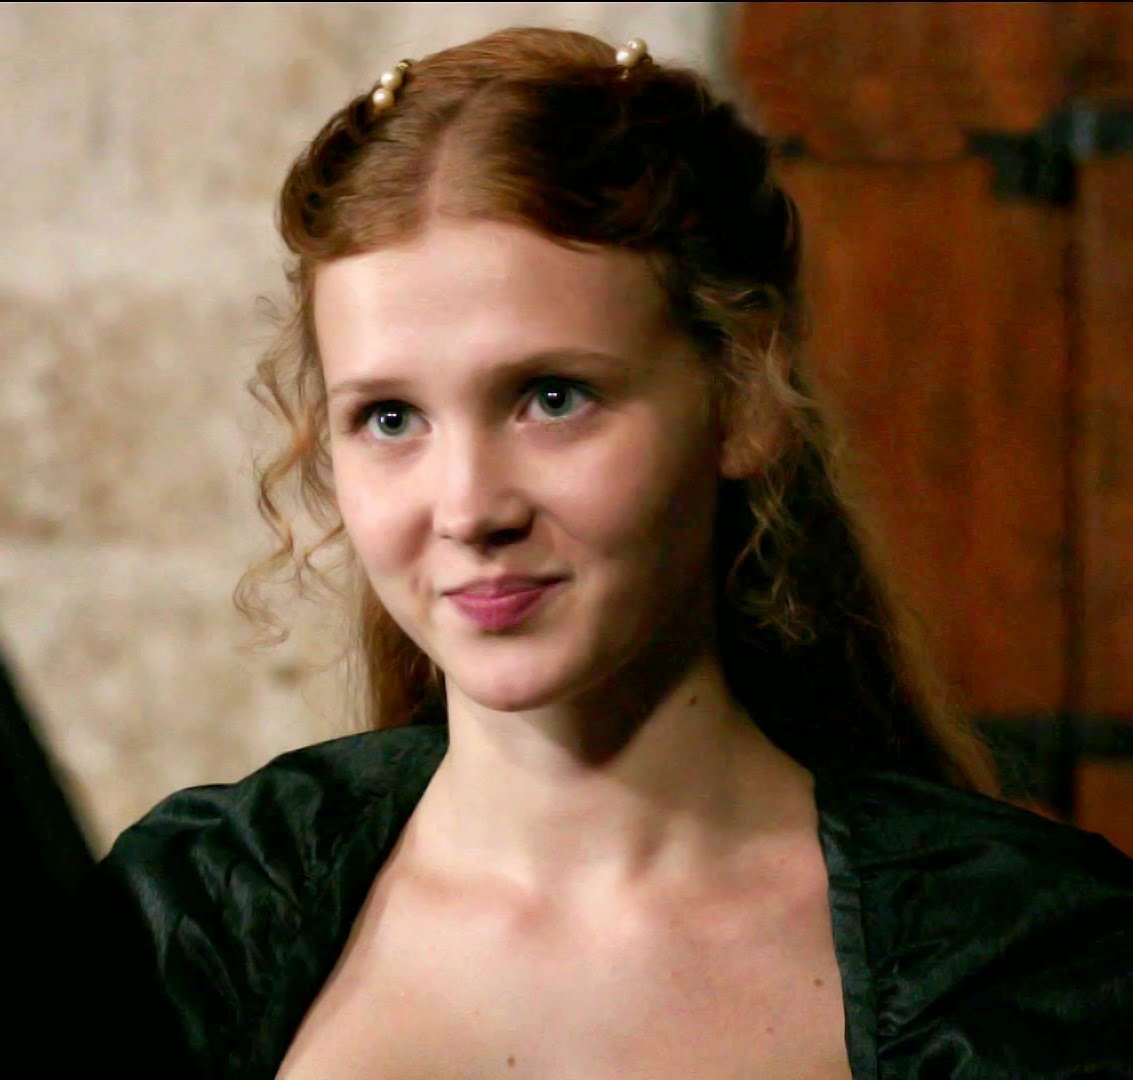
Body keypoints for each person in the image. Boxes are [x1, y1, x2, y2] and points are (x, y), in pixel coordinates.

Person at [81, 27, 1132, 1079]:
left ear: (743, 400)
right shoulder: (196, 916)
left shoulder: (1018, 966)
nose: (467, 508)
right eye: (390, 418)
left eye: (552, 398)